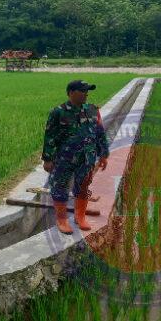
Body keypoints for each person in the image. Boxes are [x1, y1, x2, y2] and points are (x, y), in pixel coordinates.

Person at [42, 80, 109, 234]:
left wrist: (103, 154)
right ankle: (62, 219)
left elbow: (100, 133)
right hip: (64, 159)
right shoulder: (58, 112)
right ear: (71, 93)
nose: (87, 93)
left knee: (83, 187)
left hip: (87, 158)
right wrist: (47, 159)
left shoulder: (92, 110)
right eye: (83, 90)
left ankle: (80, 217)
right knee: (60, 188)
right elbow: (49, 136)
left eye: (87, 91)